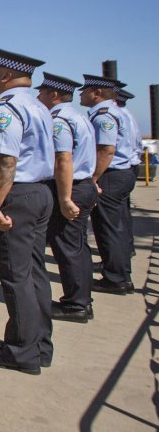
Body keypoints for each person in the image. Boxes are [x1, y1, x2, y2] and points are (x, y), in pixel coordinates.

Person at [0, 49, 55, 376]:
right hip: (39, 192)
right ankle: (40, 345)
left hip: (14, 196)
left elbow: (5, 160)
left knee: (16, 276)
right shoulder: (39, 106)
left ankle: (21, 351)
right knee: (35, 272)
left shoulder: (6, 109)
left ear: (5, 76)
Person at [36, 73, 97, 323]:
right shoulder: (78, 117)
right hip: (81, 184)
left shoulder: (59, 121)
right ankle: (82, 299)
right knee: (77, 245)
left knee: (68, 247)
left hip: (69, 187)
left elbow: (63, 159)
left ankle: (76, 304)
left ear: (53, 95)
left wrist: (64, 199)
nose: (38, 96)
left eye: (41, 93)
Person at [80, 75, 135, 294]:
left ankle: (116, 278)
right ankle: (118, 270)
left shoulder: (104, 116)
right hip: (120, 173)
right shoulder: (118, 112)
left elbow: (106, 150)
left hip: (109, 175)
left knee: (108, 228)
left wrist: (93, 178)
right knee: (116, 227)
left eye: (85, 91)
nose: (81, 94)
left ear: (97, 93)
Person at [116, 88, 142, 257]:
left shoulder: (112, 116)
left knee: (113, 223)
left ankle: (115, 266)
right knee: (122, 216)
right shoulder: (126, 116)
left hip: (116, 170)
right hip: (128, 167)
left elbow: (107, 150)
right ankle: (124, 251)